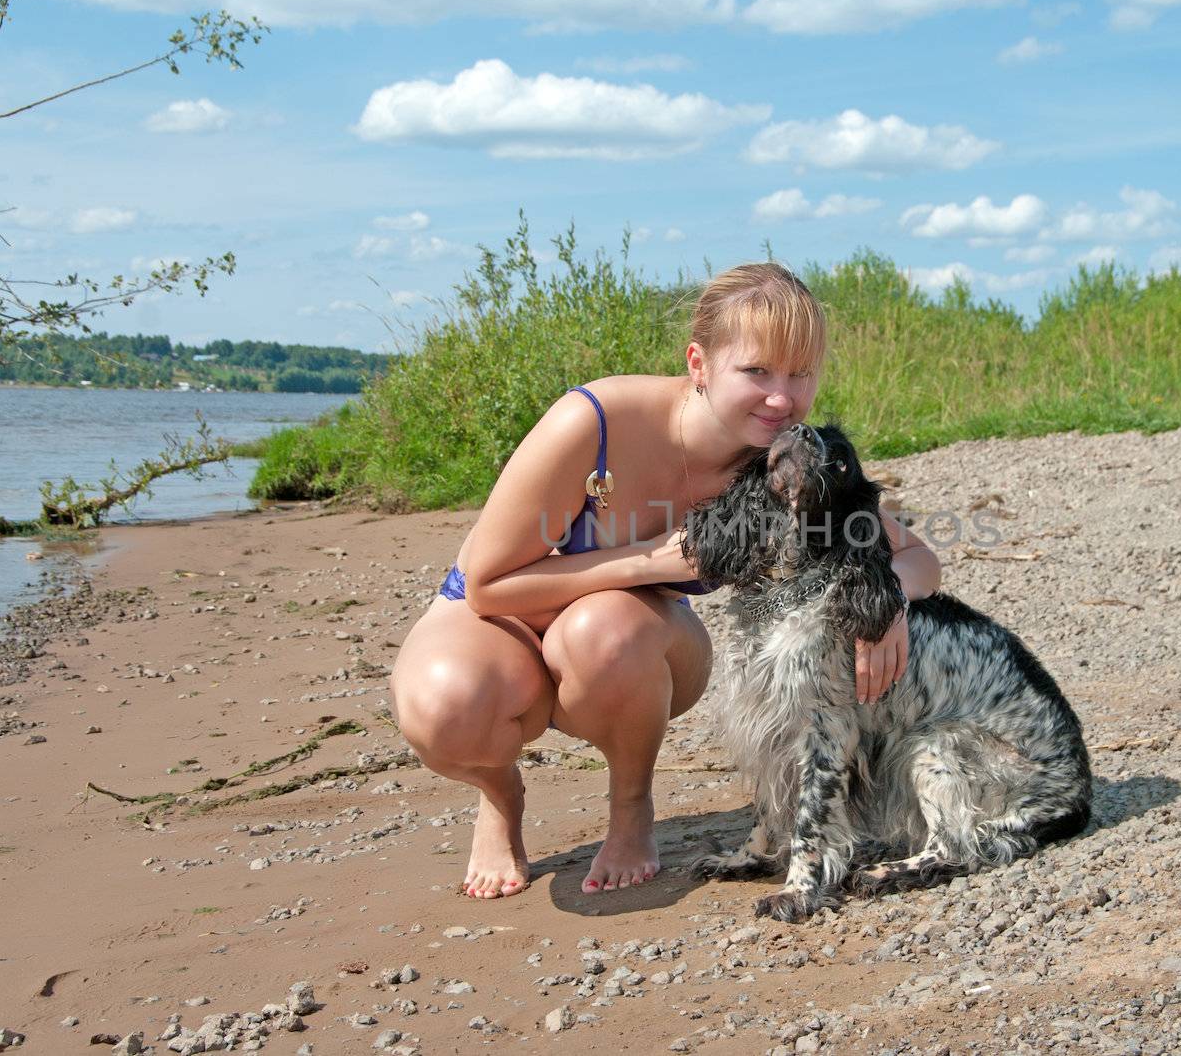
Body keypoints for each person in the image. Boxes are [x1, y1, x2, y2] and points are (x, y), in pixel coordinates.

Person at [389, 263, 942, 898]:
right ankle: (499, 792)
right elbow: (487, 584)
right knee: (445, 708)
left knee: (606, 623)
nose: (782, 398)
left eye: (800, 374)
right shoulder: (594, 420)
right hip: (497, 618)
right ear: (699, 363)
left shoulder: (779, 458)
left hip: (620, 646)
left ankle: (630, 809)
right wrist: (649, 562)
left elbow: (920, 557)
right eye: (757, 371)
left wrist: (882, 601)